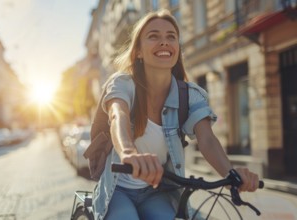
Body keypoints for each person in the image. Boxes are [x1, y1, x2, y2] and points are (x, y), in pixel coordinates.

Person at [92, 9, 259, 220]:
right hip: (117, 189)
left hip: (156, 191)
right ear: (138, 52)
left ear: (177, 49)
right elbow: (118, 116)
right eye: (153, 36)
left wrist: (231, 174)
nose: (164, 42)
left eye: (171, 37)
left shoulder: (190, 95)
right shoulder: (123, 84)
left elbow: (207, 139)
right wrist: (129, 153)